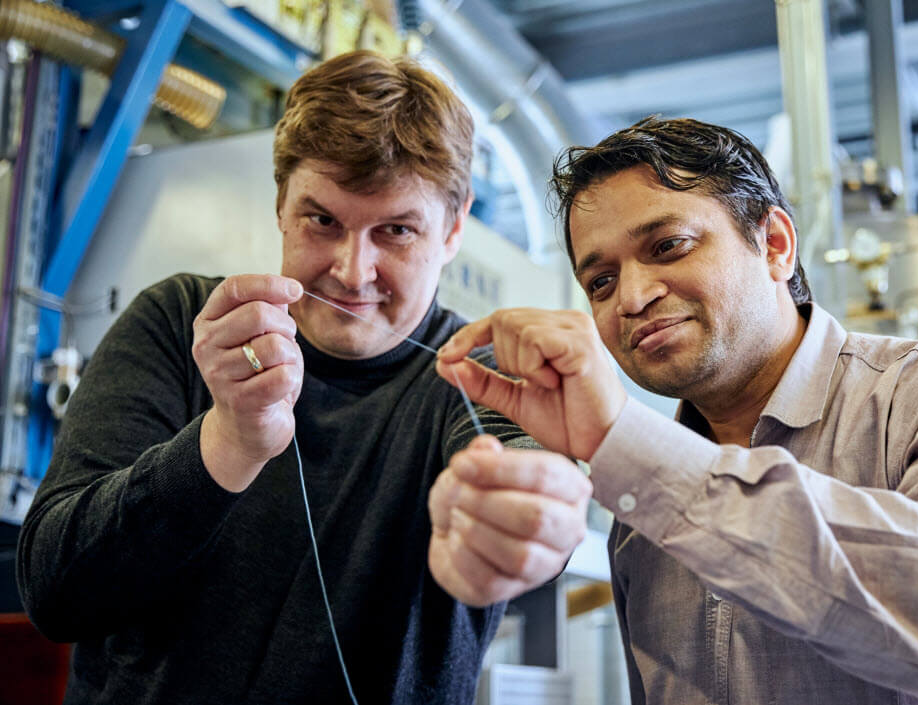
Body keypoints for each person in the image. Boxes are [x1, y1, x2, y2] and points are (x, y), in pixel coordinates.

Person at [17, 51, 590, 705]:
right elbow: (55, 593)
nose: (353, 270)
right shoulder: (181, 325)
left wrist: (525, 506)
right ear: (281, 207)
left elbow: (520, 466)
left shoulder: (477, 368)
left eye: (396, 231)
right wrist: (228, 440)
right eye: (323, 220)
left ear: (453, 231)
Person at [435, 116, 918, 704]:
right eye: (599, 282)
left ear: (774, 244)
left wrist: (628, 446)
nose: (632, 296)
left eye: (669, 245)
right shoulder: (640, 514)